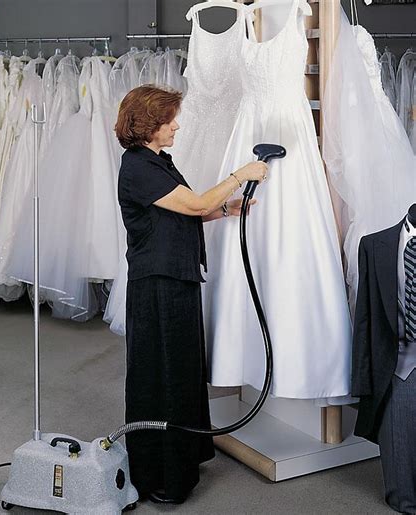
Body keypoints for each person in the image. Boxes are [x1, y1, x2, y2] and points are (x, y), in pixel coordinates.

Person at [115, 85, 268, 505]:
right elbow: (196, 204)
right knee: (160, 376)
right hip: (157, 286)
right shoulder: (139, 168)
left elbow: (183, 213)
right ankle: (160, 474)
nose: (176, 126)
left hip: (175, 279)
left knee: (180, 372)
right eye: (169, 120)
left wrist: (226, 210)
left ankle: (183, 457)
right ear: (149, 125)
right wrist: (241, 175)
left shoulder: (157, 162)